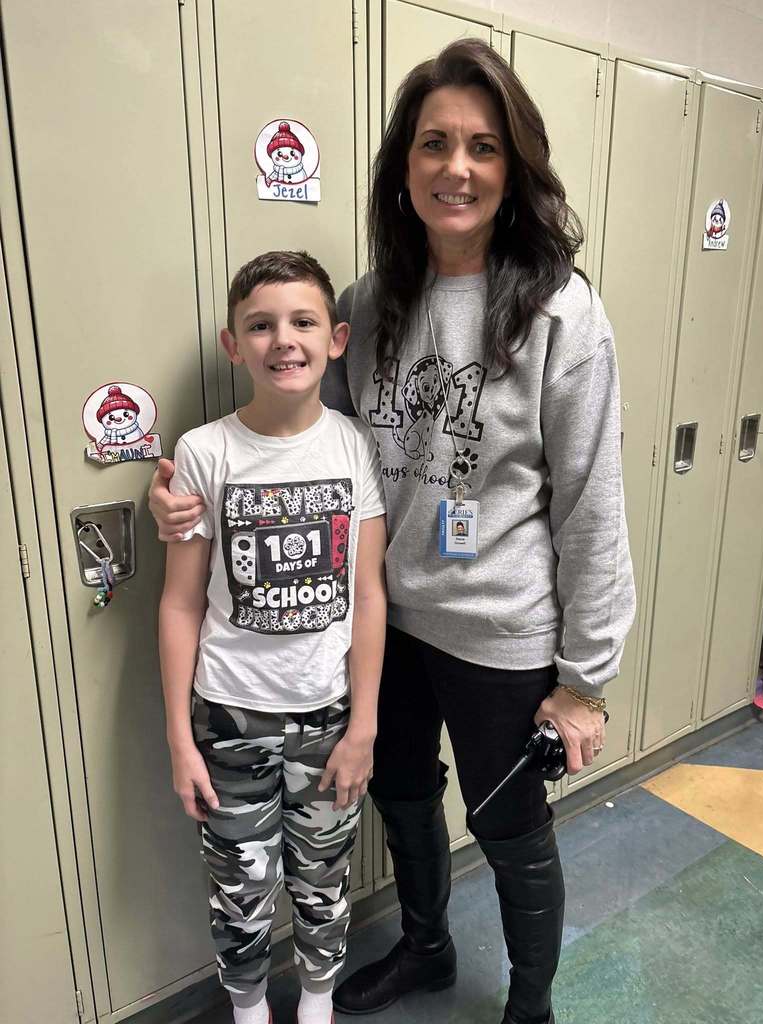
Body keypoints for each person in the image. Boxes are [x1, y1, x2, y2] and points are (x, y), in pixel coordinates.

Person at [151, 40, 635, 1024]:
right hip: (389, 624)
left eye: (484, 147)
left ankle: (530, 1005)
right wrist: (181, 500)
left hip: (500, 630)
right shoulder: (371, 305)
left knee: (507, 825)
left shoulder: (558, 311)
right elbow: (298, 445)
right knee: (403, 798)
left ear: (515, 168)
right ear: (404, 167)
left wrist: (585, 677)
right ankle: (426, 949)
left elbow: (591, 493)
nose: (457, 167)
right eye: (434, 144)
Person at [158, 250, 387, 1024]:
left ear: (337, 338)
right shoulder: (204, 452)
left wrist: (364, 725)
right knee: (241, 893)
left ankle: (316, 1007)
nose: (282, 340)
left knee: (323, 888)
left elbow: (369, 594)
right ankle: (250, 1012)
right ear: (233, 344)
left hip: (328, 722)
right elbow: (181, 604)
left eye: (302, 322)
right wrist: (180, 740)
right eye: (260, 325)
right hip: (229, 722)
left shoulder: (354, 447)